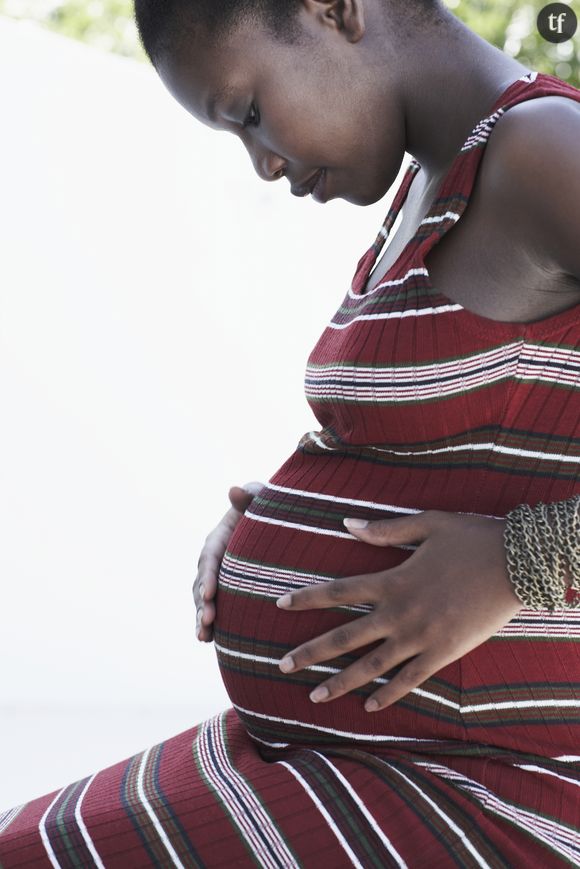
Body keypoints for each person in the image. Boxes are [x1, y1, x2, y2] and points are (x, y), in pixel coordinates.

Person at [1, 0, 579, 865]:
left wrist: (519, 559)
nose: (264, 163)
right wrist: (279, 518)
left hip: (495, 792)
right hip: (367, 749)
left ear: (332, 9)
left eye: (250, 113)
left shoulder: (545, 152)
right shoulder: (433, 185)